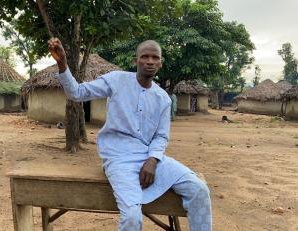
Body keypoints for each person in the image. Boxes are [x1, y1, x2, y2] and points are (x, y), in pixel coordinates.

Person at [48, 38, 212, 231]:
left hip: (150, 158)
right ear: (136, 61)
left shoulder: (163, 99)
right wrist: (63, 64)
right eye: (145, 57)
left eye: (155, 57)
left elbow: (160, 136)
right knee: (132, 218)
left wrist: (152, 160)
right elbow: (77, 93)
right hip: (118, 158)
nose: (150, 61)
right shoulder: (117, 80)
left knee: (199, 189)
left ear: (160, 62)